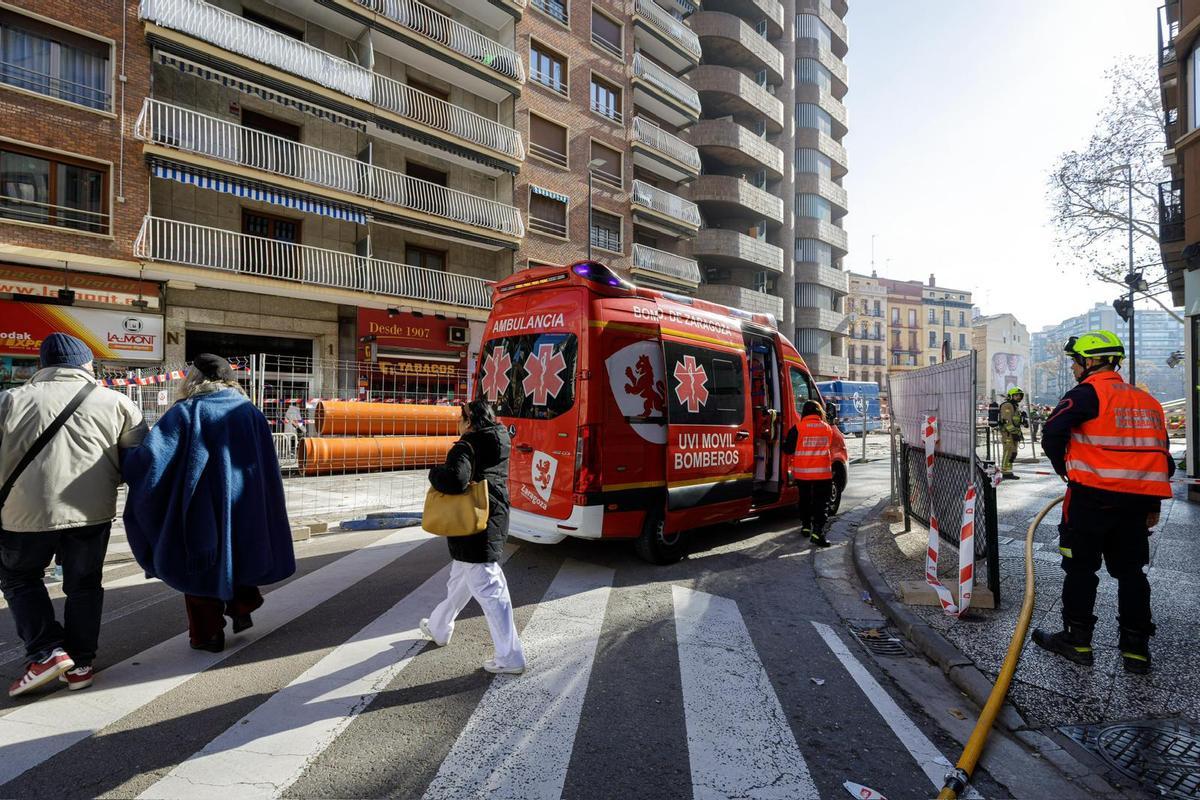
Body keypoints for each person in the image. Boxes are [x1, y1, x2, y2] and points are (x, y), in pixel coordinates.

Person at [0, 333, 147, 697]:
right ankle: (80, 665)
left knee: (20, 578)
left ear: (42, 365)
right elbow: (138, 462)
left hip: (21, 514)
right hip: (91, 513)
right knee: (84, 585)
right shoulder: (118, 403)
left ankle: (46, 652)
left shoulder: (9, 401)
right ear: (86, 364)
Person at [122, 354, 296, 653]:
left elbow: (151, 461)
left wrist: (125, 455)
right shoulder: (250, 412)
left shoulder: (186, 411)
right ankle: (241, 607)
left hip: (200, 508)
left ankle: (208, 635)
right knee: (238, 554)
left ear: (193, 379)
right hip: (246, 505)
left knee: (198, 568)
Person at [1032, 331, 1174, 675]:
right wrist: (1152, 503)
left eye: (1076, 361)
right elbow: (1161, 456)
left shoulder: (1085, 394)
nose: (1073, 367)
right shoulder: (1148, 402)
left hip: (1091, 499)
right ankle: (1136, 650)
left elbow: (1052, 433)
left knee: (1080, 569)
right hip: (1136, 505)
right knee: (1132, 574)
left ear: (1092, 361)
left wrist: (1066, 469)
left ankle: (1077, 640)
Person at [419, 398, 525, 675]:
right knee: (460, 580)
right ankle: (439, 627)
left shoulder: (466, 445)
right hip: (494, 514)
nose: (458, 422)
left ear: (469, 422)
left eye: (461, 418)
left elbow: (456, 480)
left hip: (473, 524)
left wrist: (434, 473)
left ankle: (510, 656)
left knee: (489, 588)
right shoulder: (500, 438)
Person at [788, 400, 835, 547]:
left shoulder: (797, 428)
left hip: (802, 473)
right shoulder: (827, 428)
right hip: (822, 474)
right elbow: (829, 446)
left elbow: (788, 449)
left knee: (805, 499)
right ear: (819, 412)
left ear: (804, 412)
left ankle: (806, 526)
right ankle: (818, 533)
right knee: (821, 503)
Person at [998, 387, 1025, 479]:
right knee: (1008, 452)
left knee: (1013, 453)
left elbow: (1015, 421)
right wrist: (1014, 432)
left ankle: (1009, 472)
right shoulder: (1007, 405)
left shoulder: (1015, 406)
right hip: (1008, 434)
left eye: (1020, 396)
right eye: (1016, 395)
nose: (1018, 397)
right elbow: (1007, 422)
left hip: (1013, 433)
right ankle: (1005, 472)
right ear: (1011, 396)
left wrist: (1023, 421)